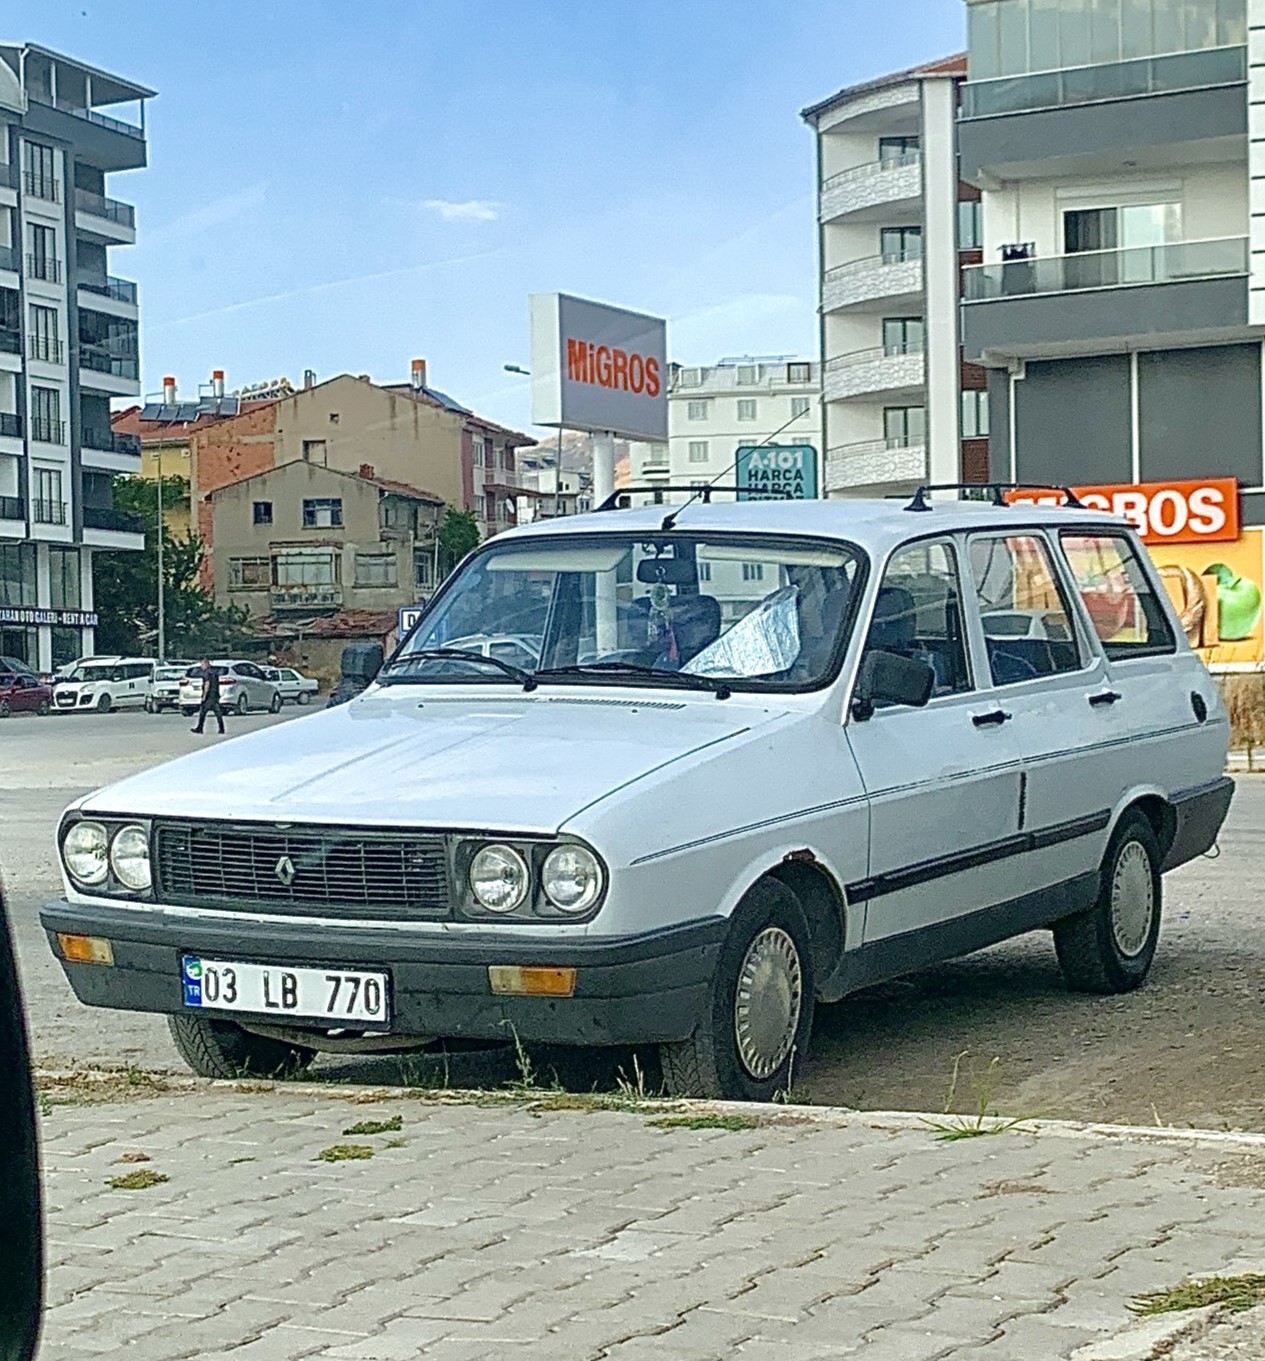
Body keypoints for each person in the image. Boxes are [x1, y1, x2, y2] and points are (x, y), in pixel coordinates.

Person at [191, 658, 224, 735]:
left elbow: (207, 684)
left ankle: (200, 728)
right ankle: (221, 728)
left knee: (202, 712)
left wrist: (204, 696)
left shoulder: (206, 673)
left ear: (206, 664)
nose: (201, 666)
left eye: (202, 664)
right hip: (215, 695)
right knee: (218, 713)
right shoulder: (214, 673)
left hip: (209, 696)